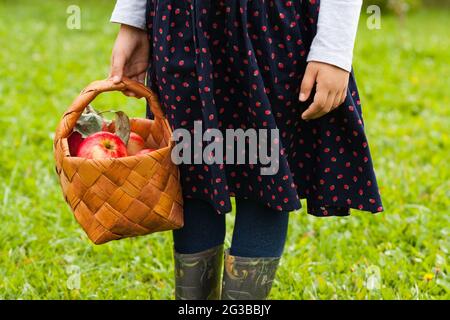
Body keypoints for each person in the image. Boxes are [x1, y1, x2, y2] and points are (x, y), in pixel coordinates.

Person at [109, 0, 383, 300]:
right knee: (191, 169)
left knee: (265, 173)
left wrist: (334, 50)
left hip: (274, 29)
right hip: (182, 24)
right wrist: (132, 19)